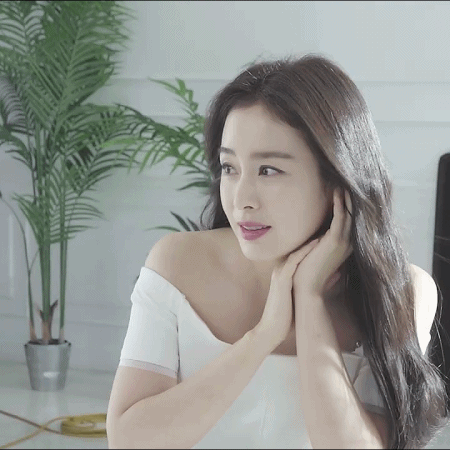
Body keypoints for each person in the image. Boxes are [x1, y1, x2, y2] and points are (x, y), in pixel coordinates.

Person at [106, 54, 449, 449]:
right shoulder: (177, 264)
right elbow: (128, 440)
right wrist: (263, 335)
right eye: (229, 168)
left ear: (337, 179)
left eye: (269, 170)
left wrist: (310, 301)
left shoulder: (402, 291)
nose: (242, 200)